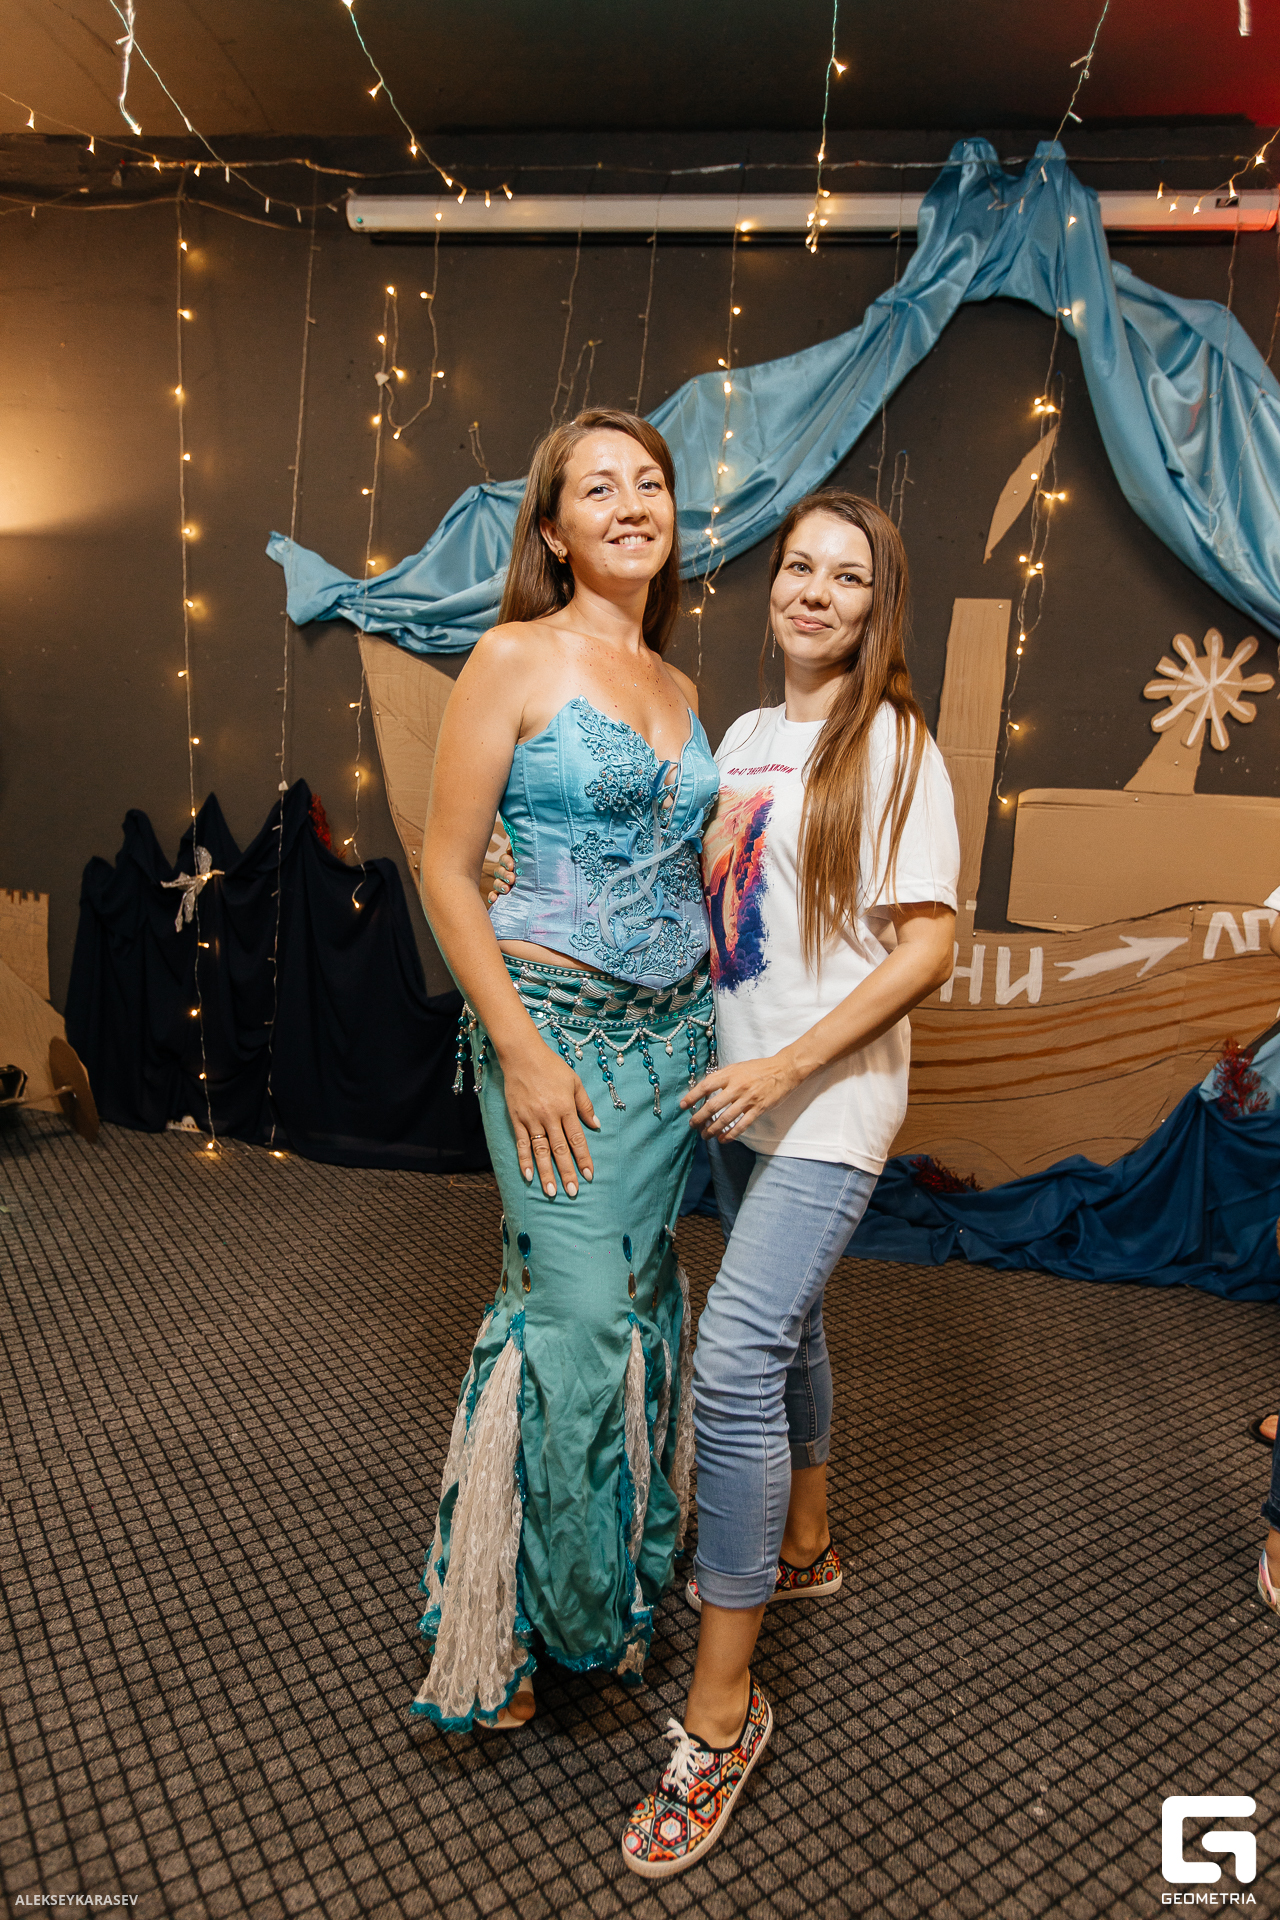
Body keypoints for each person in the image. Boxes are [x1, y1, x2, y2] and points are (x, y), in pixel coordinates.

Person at [620, 490, 960, 1876]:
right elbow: (708, 893)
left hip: (827, 1099)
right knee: (794, 1321)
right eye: (798, 568)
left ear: (880, 606)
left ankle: (722, 1715)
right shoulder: (747, 735)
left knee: (734, 1357)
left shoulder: (895, 745)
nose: (814, 592)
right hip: (740, 1086)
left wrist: (788, 1067)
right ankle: (807, 1540)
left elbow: (928, 947)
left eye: (847, 577)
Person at [413, 409, 719, 1732]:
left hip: (672, 1050)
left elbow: (686, 872)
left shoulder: (683, 687)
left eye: (650, 482)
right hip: (552, 1037)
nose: (631, 503)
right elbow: (445, 869)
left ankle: (606, 1598)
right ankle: (509, 1620)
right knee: (575, 1317)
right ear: (552, 529)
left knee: (637, 1303)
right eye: (599, 488)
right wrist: (522, 1052)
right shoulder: (512, 657)